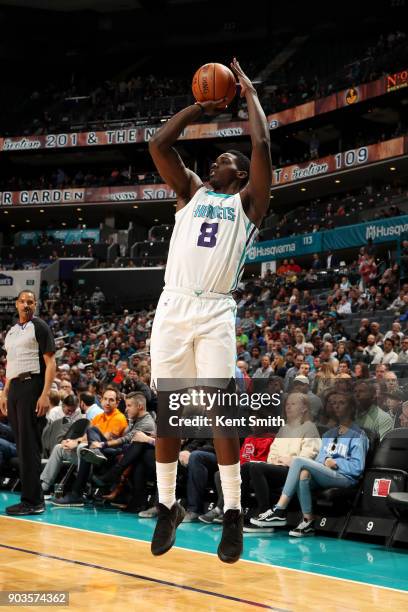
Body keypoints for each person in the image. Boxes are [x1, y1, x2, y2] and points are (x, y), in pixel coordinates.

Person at [148, 58, 272, 563]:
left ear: (238, 172)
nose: (214, 161)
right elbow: (159, 145)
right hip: (173, 306)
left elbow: (262, 145)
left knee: (221, 411)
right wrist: (199, 105)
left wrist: (247, 94)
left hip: (216, 311)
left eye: (222, 158)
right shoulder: (191, 192)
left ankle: (233, 513)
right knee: (168, 415)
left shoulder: (249, 203)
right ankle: (165, 506)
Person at [251, 391, 369, 537]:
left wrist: (336, 462)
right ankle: (308, 521)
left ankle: (279, 509)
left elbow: (357, 468)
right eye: (333, 403)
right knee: (304, 474)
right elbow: (319, 460)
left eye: (341, 403)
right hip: (327, 473)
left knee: (299, 461)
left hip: (345, 477)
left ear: (351, 408)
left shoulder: (358, 435)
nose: (336, 406)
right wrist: (325, 461)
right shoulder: (329, 434)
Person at [0, 290, 56, 516]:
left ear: (35, 305)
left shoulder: (40, 326)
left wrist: (45, 394)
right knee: (22, 446)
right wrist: (4, 393)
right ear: (16, 304)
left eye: (30, 302)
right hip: (14, 389)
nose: (26, 305)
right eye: (22, 301)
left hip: (33, 386)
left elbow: (51, 362)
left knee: (29, 446)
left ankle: (34, 501)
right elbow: (10, 366)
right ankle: (29, 498)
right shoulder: (12, 332)